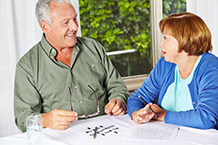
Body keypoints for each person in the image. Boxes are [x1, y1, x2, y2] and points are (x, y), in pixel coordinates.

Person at [14, 0, 129, 132]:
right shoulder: (27, 66)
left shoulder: (94, 48)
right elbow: (23, 118)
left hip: (107, 132)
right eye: (66, 22)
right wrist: (45, 120)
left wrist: (118, 100)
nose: (74, 27)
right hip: (61, 139)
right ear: (45, 26)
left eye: (75, 19)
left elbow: (117, 86)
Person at [127, 12, 218, 130]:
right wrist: (136, 113)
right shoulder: (164, 64)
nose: (160, 44)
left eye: (165, 38)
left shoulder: (211, 68)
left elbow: (206, 118)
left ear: (184, 39)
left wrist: (163, 115)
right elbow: (138, 98)